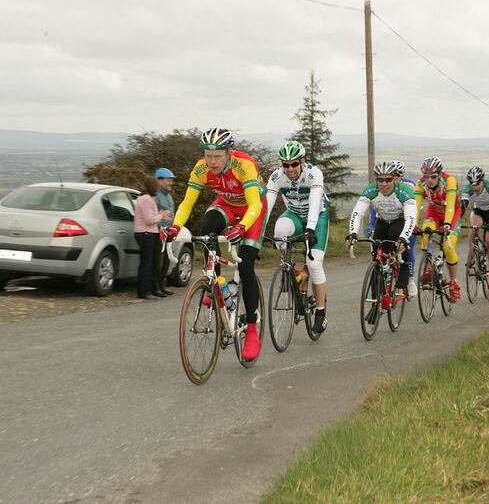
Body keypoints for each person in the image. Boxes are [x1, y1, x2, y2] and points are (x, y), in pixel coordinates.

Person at [164, 128, 267, 361]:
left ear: (229, 152)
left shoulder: (244, 165)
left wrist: (241, 228)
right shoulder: (201, 168)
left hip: (253, 210)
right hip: (227, 204)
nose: (212, 161)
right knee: (207, 229)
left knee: (246, 267)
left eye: (218, 155)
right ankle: (218, 284)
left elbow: (254, 206)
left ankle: (251, 329)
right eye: (208, 155)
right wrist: (175, 227)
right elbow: (186, 204)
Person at [265, 140, 331, 333]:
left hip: (317, 216)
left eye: (294, 164)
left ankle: (320, 312)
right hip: (293, 214)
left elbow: (314, 200)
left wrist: (310, 229)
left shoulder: (313, 173)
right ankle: (288, 267)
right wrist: (258, 233)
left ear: (302, 162)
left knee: (314, 264)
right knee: (279, 231)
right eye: (286, 165)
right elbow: (266, 207)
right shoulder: (277, 177)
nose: (290, 168)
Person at [347, 160, 417, 298]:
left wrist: (403, 238)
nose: (384, 184)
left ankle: (406, 274)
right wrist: (353, 233)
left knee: (397, 237)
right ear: (376, 180)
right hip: (382, 222)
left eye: (388, 180)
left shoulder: (405, 191)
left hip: (399, 221)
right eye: (380, 180)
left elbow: (411, 219)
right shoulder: (371, 190)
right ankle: (375, 300)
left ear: (395, 179)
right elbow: (357, 213)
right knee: (376, 254)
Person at [414, 157, 462, 303]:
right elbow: (417, 207)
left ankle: (454, 282)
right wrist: (413, 223)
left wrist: (447, 224)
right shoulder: (420, 183)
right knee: (426, 231)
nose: (429, 180)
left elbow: (450, 206)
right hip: (434, 212)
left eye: (433, 176)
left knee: (447, 246)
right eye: (426, 176)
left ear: (440, 174)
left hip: (452, 214)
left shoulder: (449, 181)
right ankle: (428, 266)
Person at [461, 166, 489, 290]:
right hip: (479, 212)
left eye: (478, 183)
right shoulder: (468, 190)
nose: (475, 187)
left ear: (483, 181)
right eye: (472, 184)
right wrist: (455, 223)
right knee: (473, 228)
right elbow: (462, 208)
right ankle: (471, 255)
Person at [134, 176, 171, 300]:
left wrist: (159, 215)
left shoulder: (145, 198)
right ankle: (144, 291)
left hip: (147, 233)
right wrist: (161, 215)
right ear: (151, 187)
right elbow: (149, 220)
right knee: (146, 263)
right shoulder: (146, 199)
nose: (157, 189)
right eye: (156, 187)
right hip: (146, 233)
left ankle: (146, 289)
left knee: (147, 263)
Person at [152, 167, 176, 296]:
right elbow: (154, 214)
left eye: (171, 180)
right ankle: (155, 287)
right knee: (158, 261)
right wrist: (160, 227)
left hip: (169, 232)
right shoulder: (156, 196)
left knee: (167, 260)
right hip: (159, 232)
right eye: (168, 180)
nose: (170, 183)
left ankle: (162, 285)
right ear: (160, 181)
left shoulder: (169, 196)